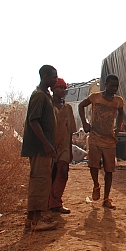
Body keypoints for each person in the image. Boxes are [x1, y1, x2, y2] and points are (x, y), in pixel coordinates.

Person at [20, 65, 59, 232]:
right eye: (53, 77)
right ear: (44, 76)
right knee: (40, 181)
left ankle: (32, 218)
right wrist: (46, 143)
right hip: (39, 147)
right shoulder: (39, 96)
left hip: (42, 147)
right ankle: (37, 220)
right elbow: (33, 121)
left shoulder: (45, 96)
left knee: (40, 179)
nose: (55, 80)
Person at [78, 74, 124, 209]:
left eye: (117, 86)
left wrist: (118, 128)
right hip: (95, 137)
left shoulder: (118, 101)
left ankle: (106, 198)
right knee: (94, 165)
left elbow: (121, 113)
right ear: (105, 85)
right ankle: (96, 185)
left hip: (109, 139)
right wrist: (85, 123)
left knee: (109, 169)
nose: (115, 89)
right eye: (112, 86)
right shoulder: (95, 97)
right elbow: (81, 106)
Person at [49, 78, 77, 214]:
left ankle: (56, 202)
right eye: (59, 88)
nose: (62, 91)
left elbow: (71, 130)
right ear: (52, 89)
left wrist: (70, 150)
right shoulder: (48, 107)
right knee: (50, 174)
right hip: (50, 145)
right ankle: (48, 202)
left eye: (64, 88)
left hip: (64, 146)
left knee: (63, 172)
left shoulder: (67, 108)